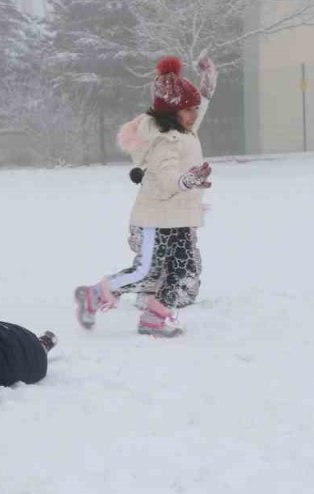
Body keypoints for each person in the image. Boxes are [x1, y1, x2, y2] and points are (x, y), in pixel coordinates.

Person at [76, 55, 217, 337]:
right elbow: (165, 181)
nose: (194, 114)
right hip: (157, 218)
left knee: (183, 271)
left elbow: (197, 108)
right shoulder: (165, 140)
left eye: (195, 110)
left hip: (179, 218)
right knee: (147, 271)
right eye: (188, 110)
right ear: (172, 112)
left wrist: (207, 86)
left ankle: (155, 317)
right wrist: (188, 180)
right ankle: (93, 294)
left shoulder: (185, 131)